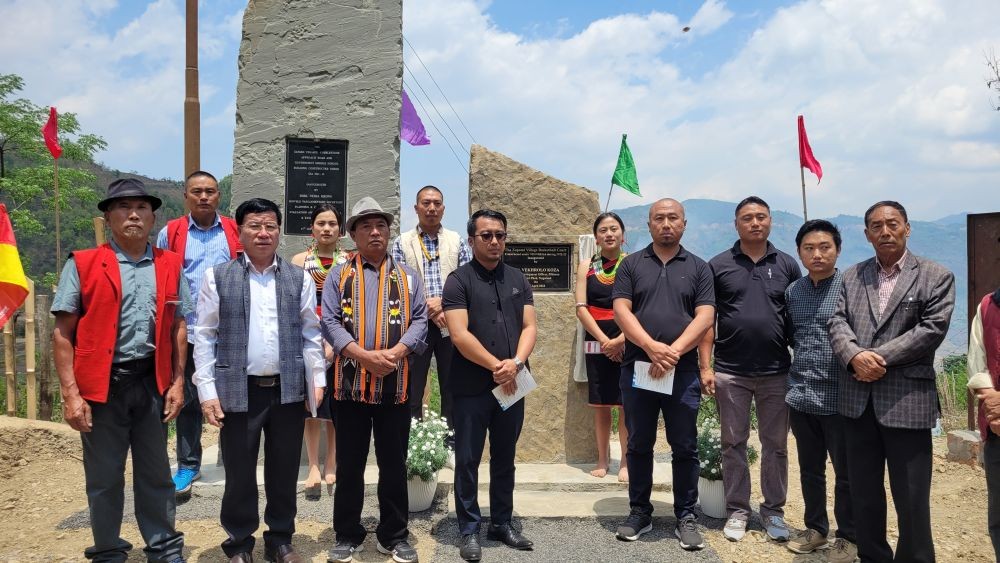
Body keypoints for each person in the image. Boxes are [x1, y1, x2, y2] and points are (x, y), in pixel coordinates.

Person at [52, 178, 189, 563]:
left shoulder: (169, 263)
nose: (134, 214)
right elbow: (63, 333)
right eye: (124, 208)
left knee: (156, 474)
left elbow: (179, 325)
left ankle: (163, 548)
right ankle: (109, 551)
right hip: (101, 387)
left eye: (142, 208)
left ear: (153, 217)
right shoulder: (83, 263)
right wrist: (71, 394)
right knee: (104, 478)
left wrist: (178, 382)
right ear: (108, 217)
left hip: (151, 384)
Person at [193, 198, 325, 563]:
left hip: (286, 390)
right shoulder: (218, 276)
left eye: (270, 226)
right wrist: (207, 392)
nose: (263, 233)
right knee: (238, 471)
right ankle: (238, 544)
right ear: (239, 231)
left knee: (284, 471)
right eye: (254, 225)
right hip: (239, 389)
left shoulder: (297, 278)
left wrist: (316, 381)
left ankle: (280, 540)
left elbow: (311, 333)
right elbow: (204, 335)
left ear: (279, 231)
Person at [829, 200, 955, 563]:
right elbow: (836, 322)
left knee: (911, 497)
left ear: (907, 228)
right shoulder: (852, 276)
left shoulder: (935, 275)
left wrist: (876, 357)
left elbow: (931, 329)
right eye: (876, 226)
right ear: (867, 233)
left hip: (906, 401)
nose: (885, 231)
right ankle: (873, 557)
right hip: (857, 403)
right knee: (864, 494)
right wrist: (854, 356)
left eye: (893, 224)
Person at [322, 197, 428, 563]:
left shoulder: (408, 276)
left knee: (393, 464)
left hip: (393, 386)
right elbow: (330, 321)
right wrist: (363, 356)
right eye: (366, 226)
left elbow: (420, 321)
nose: (375, 231)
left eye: (380, 225)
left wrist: (397, 354)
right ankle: (347, 533)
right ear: (352, 234)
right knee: (350, 464)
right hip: (349, 386)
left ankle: (394, 535)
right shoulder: (339, 274)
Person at [611, 198, 715, 551]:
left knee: (684, 445)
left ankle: (686, 514)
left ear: (684, 224)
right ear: (649, 224)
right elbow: (621, 309)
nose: (666, 223)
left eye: (673, 218)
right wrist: (651, 346)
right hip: (640, 366)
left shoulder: (699, 268)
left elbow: (705, 316)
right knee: (639, 442)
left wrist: (672, 353)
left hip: (682, 371)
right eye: (659, 218)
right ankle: (639, 511)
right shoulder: (631, 265)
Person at [699, 195, 802, 542]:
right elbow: (707, 321)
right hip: (731, 370)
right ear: (736, 224)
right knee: (733, 443)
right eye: (747, 218)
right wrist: (706, 367)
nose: (755, 223)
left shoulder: (787, 265)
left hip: (777, 371)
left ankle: (773, 512)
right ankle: (738, 510)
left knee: (776, 445)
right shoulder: (718, 265)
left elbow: (796, 319)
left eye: (761, 217)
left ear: (771, 221)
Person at [444, 209, 538, 562]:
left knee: (505, 458)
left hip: (513, 383)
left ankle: (501, 522)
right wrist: (496, 365)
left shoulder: (518, 278)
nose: (495, 241)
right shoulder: (458, 280)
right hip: (471, 387)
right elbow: (458, 333)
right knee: (468, 459)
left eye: (500, 234)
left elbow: (529, 326)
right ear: (471, 240)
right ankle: (469, 529)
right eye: (486, 235)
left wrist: (514, 364)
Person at [156, 170, 243, 497]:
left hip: (230, 332)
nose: (204, 196)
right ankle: (188, 465)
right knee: (188, 399)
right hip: (187, 331)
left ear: (219, 196)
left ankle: (235, 461)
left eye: (210, 191)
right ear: (186, 197)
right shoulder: (171, 233)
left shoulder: (233, 231)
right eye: (197, 192)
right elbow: (162, 273)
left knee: (234, 399)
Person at [782, 220, 857, 562]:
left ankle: (849, 538)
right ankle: (816, 529)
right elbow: (789, 337)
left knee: (846, 473)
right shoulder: (793, 292)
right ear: (799, 252)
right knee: (810, 469)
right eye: (809, 248)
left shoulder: (852, 287)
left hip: (841, 397)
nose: (817, 254)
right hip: (801, 395)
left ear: (837, 250)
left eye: (824, 247)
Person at [391, 185, 471, 441]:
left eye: (437, 203)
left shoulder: (457, 240)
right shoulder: (401, 242)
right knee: (412, 388)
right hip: (415, 325)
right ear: (416, 208)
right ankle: (414, 443)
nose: (432, 208)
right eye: (426, 203)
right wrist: (427, 307)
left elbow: (467, 279)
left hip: (450, 323)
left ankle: (449, 444)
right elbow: (396, 284)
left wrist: (444, 304)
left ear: (444, 208)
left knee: (451, 386)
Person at [291, 204, 351, 500]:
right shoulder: (299, 261)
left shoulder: (350, 261)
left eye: (332, 223)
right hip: (308, 337)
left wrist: (336, 340)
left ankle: (332, 461)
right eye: (320, 223)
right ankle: (313, 464)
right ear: (311, 229)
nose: (326, 228)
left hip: (341, 337)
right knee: (312, 405)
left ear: (341, 230)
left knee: (337, 403)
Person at [575, 212, 629, 481]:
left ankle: (626, 463)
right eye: (603, 230)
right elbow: (581, 308)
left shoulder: (632, 264)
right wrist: (604, 340)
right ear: (596, 237)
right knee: (601, 404)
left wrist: (621, 339)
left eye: (614, 229)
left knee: (626, 403)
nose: (609, 234)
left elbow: (641, 306)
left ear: (623, 234)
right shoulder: (587, 266)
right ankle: (602, 458)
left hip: (627, 338)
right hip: (596, 339)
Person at [968, 286, 1000, 561]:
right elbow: (977, 365)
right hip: (997, 428)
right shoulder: (988, 306)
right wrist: (993, 406)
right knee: (999, 516)